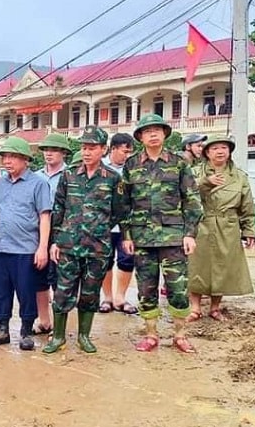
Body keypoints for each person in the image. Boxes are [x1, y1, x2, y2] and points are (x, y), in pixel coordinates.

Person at [117, 113, 203, 353]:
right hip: (142, 237)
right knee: (145, 288)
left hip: (174, 236)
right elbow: (124, 203)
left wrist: (190, 233)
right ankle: (151, 334)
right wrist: (127, 235)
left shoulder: (179, 162)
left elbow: (192, 201)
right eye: (147, 131)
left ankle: (180, 334)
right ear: (141, 137)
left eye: (157, 130)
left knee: (178, 288)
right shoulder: (131, 164)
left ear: (165, 134)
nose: (152, 134)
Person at [44, 126, 120, 354]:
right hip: (68, 245)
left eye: (92, 148)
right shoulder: (69, 175)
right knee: (62, 292)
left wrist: (99, 228)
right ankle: (58, 337)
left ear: (103, 149)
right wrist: (55, 241)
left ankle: (84, 336)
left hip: (97, 248)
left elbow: (120, 211)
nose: (86, 152)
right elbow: (59, 207)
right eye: (84, 147)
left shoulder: (113, 179)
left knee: (89, 293)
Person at [0, 136, 51, 351]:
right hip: (2, 247)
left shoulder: (38, 183)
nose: (7, 161)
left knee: (26, 291)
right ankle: (1, 329)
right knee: (1, 291)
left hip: (26, 248)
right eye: (5, 156)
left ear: (25, 160)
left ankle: (26, 331)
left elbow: (44, 216)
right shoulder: (0, 183)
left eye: (13, 156)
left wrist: (42, 248)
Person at [186, 137, 255, 322]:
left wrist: (249, 229)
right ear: (207, 153)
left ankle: (215, 308)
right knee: (197, 265)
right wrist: (205, 182)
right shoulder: (193, 172)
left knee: (222, 267)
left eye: (224, 147)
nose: (220, 151)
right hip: (200, 224)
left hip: (228, 226)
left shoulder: (239, 177)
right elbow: (184, 195)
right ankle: (195, 308)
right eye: (215, 148)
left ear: (229, 151)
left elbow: (247, 204)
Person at [33, 133, 72, 334]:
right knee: (38, 278)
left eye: (54, 150)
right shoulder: (36, 176)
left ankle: (59, 326)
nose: (49, 153)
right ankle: (44, 320)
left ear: (63, 152)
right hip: (38, 233)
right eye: (46, 150)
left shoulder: (71, 174)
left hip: (61, 234)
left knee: (60, 280)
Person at [100, 132, 137, 314]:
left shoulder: (133, 169)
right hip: (105, 223)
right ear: (112, 149)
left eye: (130, 152)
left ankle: (120, 298)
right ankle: (107, 297)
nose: (127, 155)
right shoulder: (100, 167)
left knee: (127, 259)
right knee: (105, 261)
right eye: (125, 151)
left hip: (127, 225)